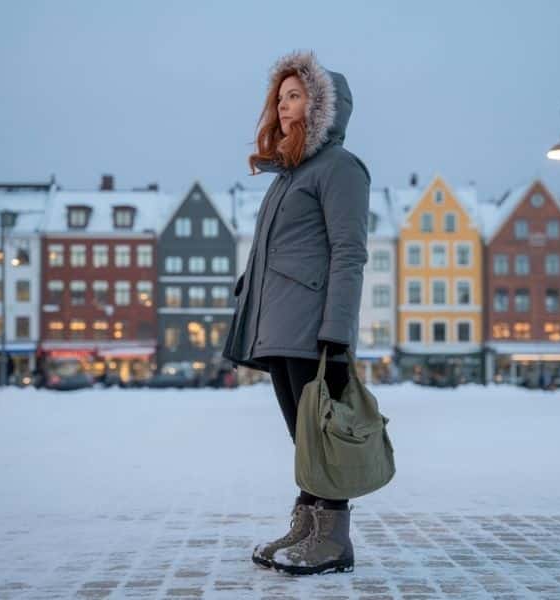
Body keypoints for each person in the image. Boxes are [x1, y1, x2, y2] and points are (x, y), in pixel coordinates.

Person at [222, 50, 370, 575]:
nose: (284, 108)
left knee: (322, 435)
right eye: (280, 98)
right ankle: (307, 526)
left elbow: (349, 253)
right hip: (278, 325)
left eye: (295, 96)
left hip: (312, 328)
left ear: (321, 105)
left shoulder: (340, 169)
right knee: (302, 435)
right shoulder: (288, 175)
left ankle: (334, 540)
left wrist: (337, 331)